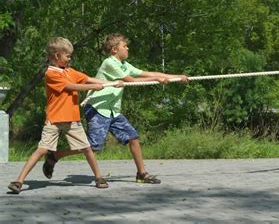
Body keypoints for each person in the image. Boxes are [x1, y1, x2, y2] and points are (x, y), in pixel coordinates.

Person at [43, 33, 188, 184]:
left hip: (113, 110)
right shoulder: (109, 63)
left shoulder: (125, 65)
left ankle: (142, 173)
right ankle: (55, 156)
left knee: (133, 138)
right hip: (98, 109)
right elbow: (130, 80)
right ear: (114, 50)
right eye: (124, 46)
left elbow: (148, 73)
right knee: (93, 146)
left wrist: (177, 77)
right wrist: (157, 80)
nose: (127, 48)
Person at [8, 37, 121, 194]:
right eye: (67, 56)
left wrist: (113, 83)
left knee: (87, 148)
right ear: (56, 56)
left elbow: (88, 79)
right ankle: (19, 181)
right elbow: (70, 86)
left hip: (72, 119)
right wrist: (95, 87)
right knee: (41, 150)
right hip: (54, 120)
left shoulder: (71, 71)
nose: (69, 59)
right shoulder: (51, 73)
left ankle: (98, 177)